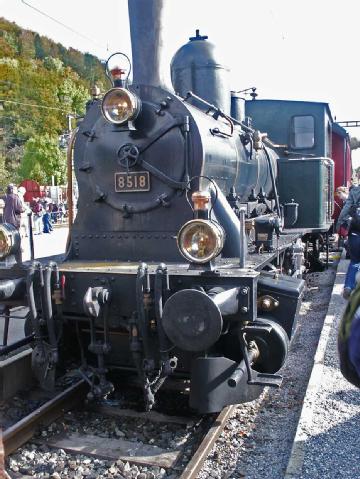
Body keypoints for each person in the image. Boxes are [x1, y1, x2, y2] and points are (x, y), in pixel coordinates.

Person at [337, 184, 360, 298]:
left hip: (355, 232)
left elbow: (345, 210)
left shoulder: (354, 191)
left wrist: (339, 225)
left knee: (355, 261)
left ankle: (349, 286)